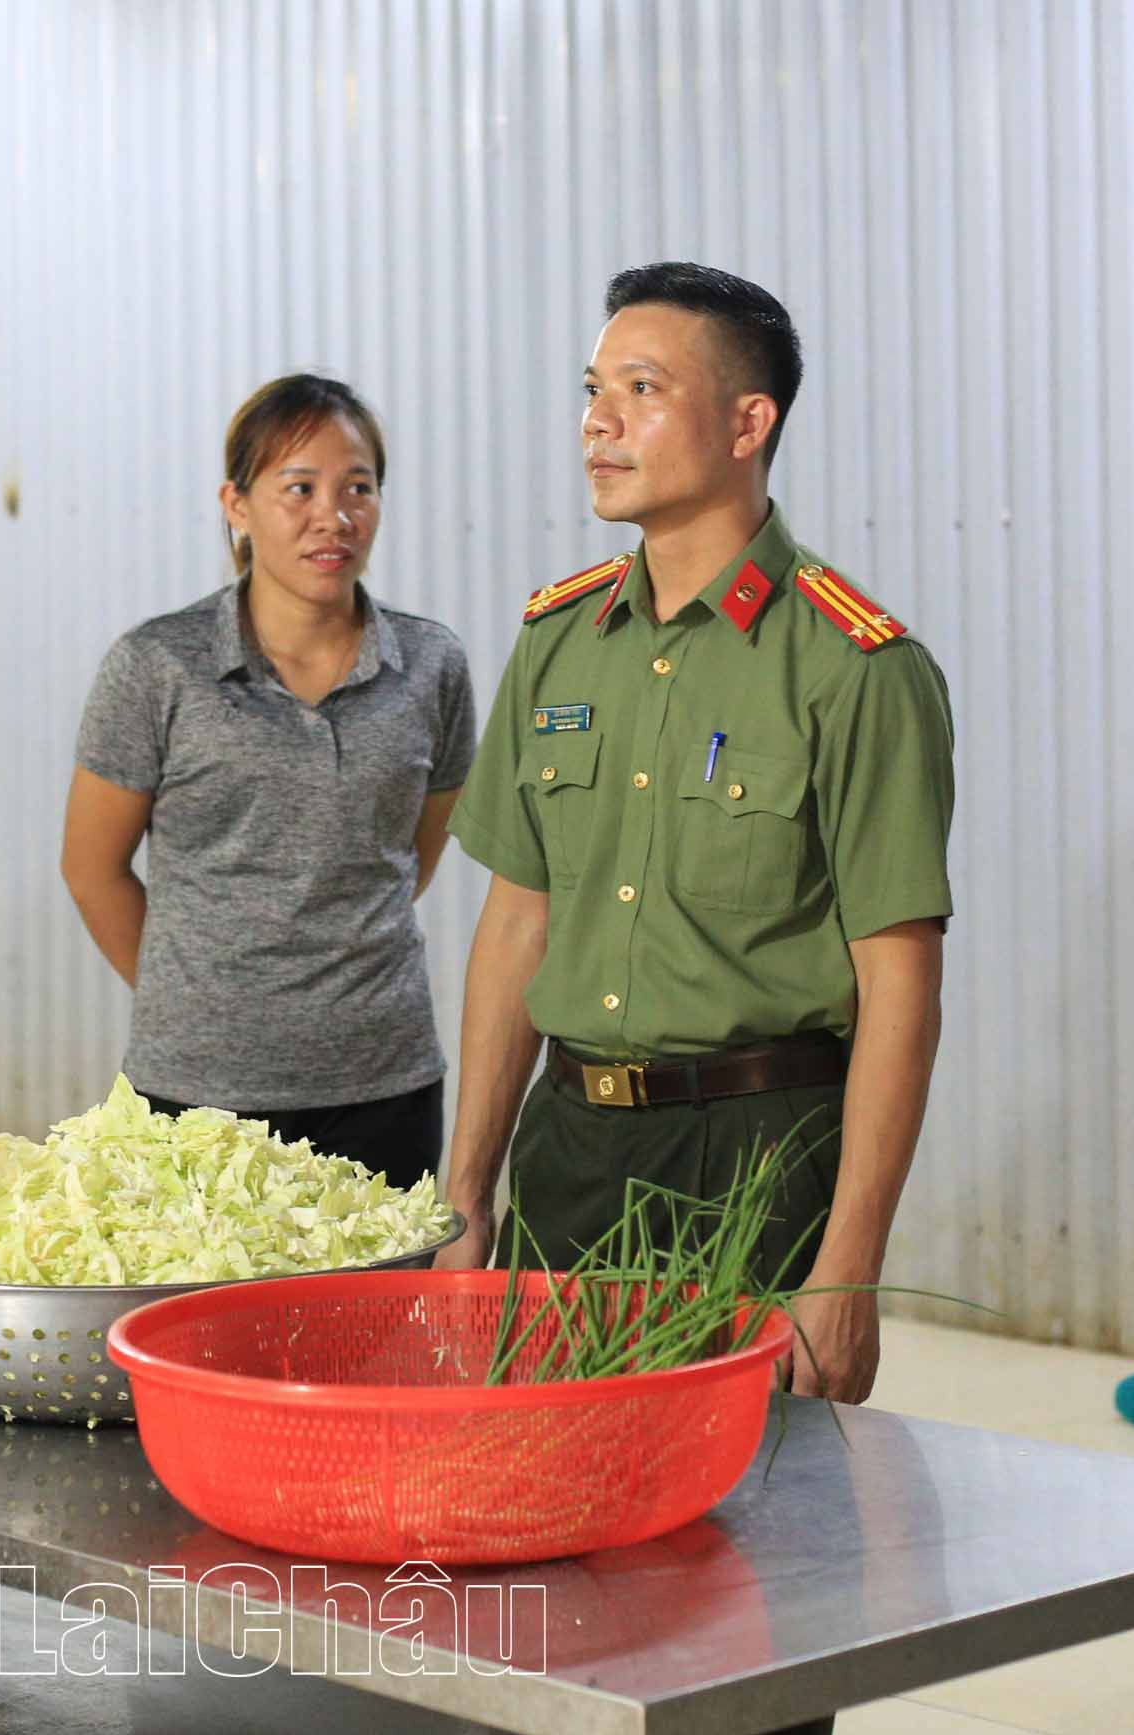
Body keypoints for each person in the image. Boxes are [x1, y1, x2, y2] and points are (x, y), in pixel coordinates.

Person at [437, 265, 953, 1426]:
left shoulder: (852, 665)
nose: (597, 421)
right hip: (566, 1146)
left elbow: (900, 983)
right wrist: (466, 1191)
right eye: (591, 388)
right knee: (540, 1502)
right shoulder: (558, 641)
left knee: (751, 1546)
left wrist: (846, 1266)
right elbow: (518, 921)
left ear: (745, 422)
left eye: (640, 387)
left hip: (757, 1162)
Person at [62, 374, 476, 1189]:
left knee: (368, 1317)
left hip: (384, 1081)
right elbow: (92, 868)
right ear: (237, 505)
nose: (335, 515)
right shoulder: (158, 665)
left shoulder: (431, 665)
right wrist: (197, 996)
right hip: (197, 1091)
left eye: (359, 487)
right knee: (199, 1314)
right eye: (300, 487)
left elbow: (412, 855)